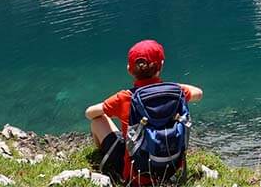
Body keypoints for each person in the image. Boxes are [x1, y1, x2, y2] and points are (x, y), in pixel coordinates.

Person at [86, 40, 203, 184]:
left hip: (136, 176)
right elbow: (198, 93)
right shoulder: (177, 92)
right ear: (161, 65)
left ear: (129, 69)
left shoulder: (125, 97)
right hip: (171, 168)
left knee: (98, 120)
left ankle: (105, 159)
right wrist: (173, 86)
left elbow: (89, 113)